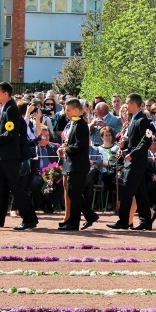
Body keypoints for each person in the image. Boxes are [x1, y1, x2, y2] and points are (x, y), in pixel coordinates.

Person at [0, 82, 38, 230]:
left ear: (5, 93)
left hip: (9, 156)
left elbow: (11, 134)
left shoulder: (10, 108)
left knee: (16, 188)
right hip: (3, 156)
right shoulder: (6, 107)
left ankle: (29, 218)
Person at [108, 93, 153, 231]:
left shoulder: (142, 120)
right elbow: (136, 140)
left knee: (127, 190)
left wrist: (132, 154)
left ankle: (123, 220)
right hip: (133, 159)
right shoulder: (134, 119)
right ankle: (146, 220)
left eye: (127, 103)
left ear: (133, 104)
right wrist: (125, 145)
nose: (125, 106)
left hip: (137, 161)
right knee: (141, 192)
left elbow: (147, 140)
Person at [59, 98, 99, 231]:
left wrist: (67, 149)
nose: (66, 112)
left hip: (78, 165)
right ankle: (89, 215)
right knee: (72, 193)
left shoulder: (81, 124)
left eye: (69, 110)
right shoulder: (75, 123)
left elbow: (80, 145)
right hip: (74, 164)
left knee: (74, 194)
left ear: (77, 110)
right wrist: (66, 146)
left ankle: (74, 222)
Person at [31, 126, 62, 214]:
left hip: (53, 173)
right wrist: (42, 174)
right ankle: (42, 204)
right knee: (34, 182)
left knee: (64, 181)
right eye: (44, 136)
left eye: (48, 135)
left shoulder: (54, 147)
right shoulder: (33, 148)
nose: (47, 138)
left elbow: (60, 162)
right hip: (38, 173)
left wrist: (56, 171)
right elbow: (32, 165)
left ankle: (49, 203)